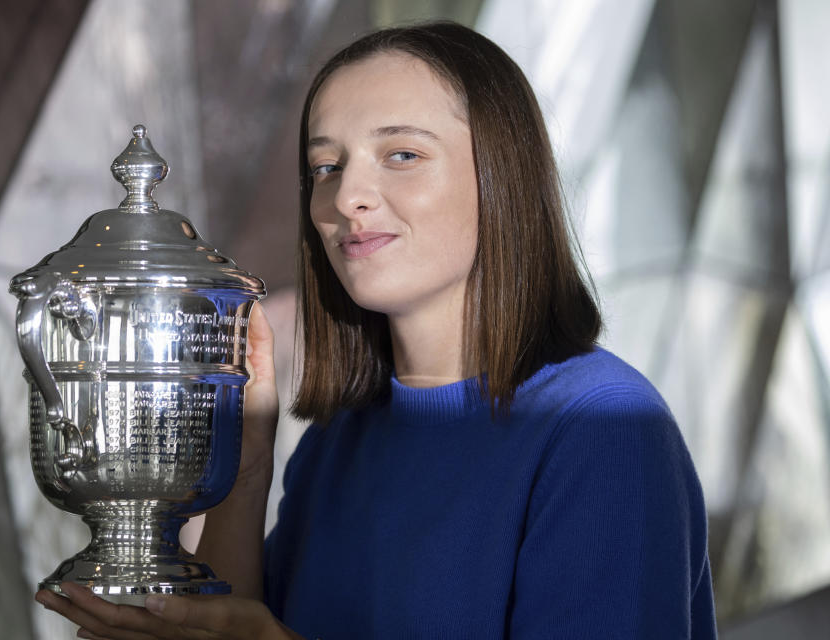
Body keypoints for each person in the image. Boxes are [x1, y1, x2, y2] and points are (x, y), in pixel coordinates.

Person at [36, 21, 718, 639]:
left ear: (502, 175)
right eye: (324, 167)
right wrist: (245, 471)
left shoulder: (606, 431)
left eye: (401, 155)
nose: (345, 197)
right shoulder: (339, 443)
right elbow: (234, 626)